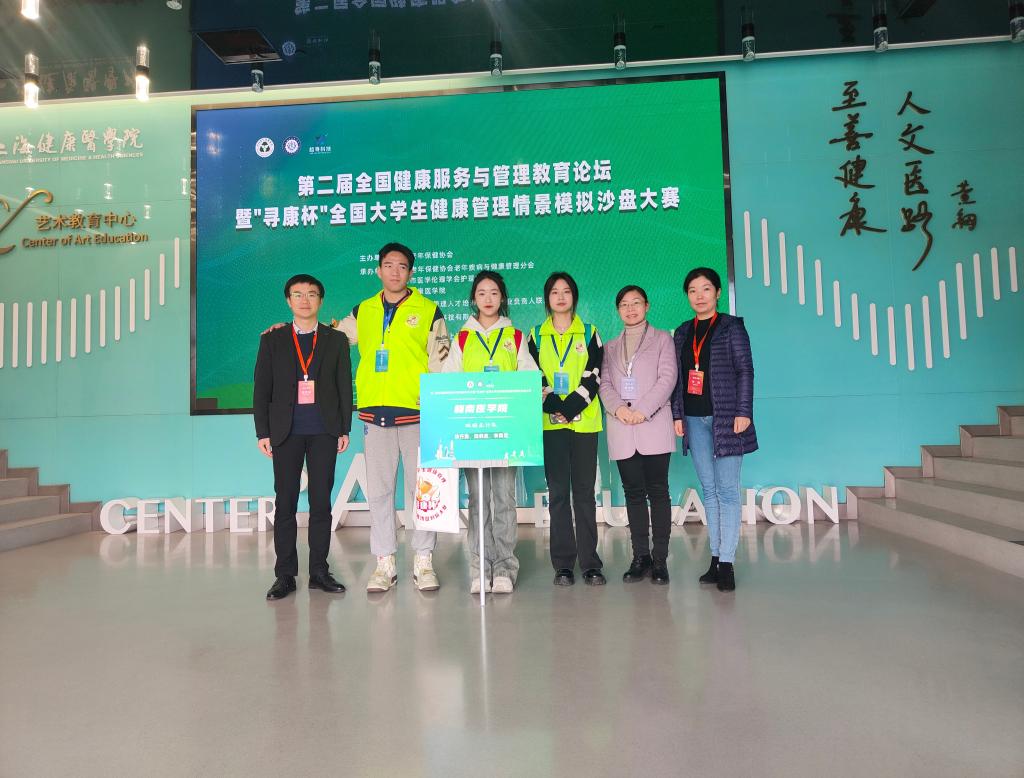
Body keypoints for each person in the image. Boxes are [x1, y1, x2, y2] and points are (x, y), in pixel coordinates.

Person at [334, 242, 450, 593]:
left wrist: (435, 404)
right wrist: (291, 328)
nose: (395, 271)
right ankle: (384, 562)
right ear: (378, 270)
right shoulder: (364, 310)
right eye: (389, 265)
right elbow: (331, 340)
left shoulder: (428, 310)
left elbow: (442, 360)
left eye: (402, 266)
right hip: (374, 414)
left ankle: (423, 559)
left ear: (410, 272)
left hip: (417, 414)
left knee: (424, 490)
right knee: (381, 492)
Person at [253, 273, 353, 601]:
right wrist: (263, 431)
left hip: (324, 431)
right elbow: (262, 388)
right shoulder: (273, 339)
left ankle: (319, 572)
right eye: (298, 294)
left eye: (311, 294)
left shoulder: (335, 339)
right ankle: (284, 575)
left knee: (321, 503)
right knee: (285, 503)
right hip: (285, 432)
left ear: (320, 300)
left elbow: (343, 385)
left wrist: (344, 427)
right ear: (288, 301)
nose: (305, 300)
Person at [443, 271, 538, 594]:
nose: (488, 298)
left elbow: (529, 375)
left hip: (506, 432)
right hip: (472, 433)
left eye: (494, 292)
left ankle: (505, 568)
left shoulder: (515, 336)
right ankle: (479, 567)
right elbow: (449, 379)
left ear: (502, 298)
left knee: (504, 498)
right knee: (477, 500)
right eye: (482, 293)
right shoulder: (462, 338)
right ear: (474, 298)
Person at [671, 267, 757, 592]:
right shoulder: (683, 332)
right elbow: (678, 378)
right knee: (709, 491)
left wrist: (743, 411)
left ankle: (728, 564)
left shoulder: (732, 327)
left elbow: (745, 370)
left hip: (726, 418)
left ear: (718, 292)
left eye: (706, 289)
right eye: (693, 290)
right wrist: (677, 415)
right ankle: (716, 557)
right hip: (694, 420)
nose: (700, 296)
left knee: (728, 491)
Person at [527, 272, 605, 586]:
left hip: (584, 423)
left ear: (574, 296)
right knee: (558, 493)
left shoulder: (589, 332)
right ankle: (563, 565)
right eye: (554, 292)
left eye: (566, 291)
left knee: (584, 493)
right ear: (547, 298)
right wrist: (555, 406)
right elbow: (533, 375)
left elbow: (594, 373)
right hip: (551, 424)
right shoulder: (535, 335)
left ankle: (590, 564)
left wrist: (570, 406)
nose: (560, 297)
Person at [599, 285, 678, 585]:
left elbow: (668, 378)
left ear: (647, 306)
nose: (630, 309)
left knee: (658, 491)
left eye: (636, 303)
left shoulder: (662, 339)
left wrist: (642, 410)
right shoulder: (610, 347)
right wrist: (619, 409)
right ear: (618, 310)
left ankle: (660, 560)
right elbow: (604, 384)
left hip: (652, 424)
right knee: (632, 493)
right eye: (624, 304)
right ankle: (640, 557)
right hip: (622, 427)